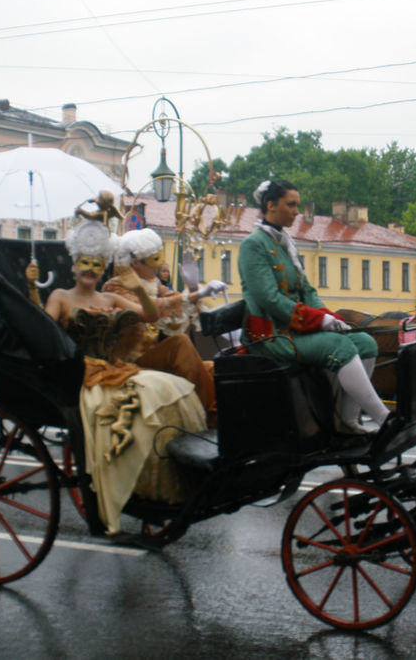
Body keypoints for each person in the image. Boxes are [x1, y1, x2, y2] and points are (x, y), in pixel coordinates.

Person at [27, 217, 207, 535]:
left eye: (97, 264)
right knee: (146, 397)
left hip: (117, 369)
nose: (90, 269)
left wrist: (138, 288)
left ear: (103, 267)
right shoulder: (60, 296)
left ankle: (159, 480)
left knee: (169, 387)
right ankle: (125, 480)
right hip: (84, 374)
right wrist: (32, 288)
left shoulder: (109, 299)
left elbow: (150, 315)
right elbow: (41, 331)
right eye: (84, 263)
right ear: (73, 266)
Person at [237, 179, 390, 436]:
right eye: (291, 204)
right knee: (339, 347)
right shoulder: (253, 245)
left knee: (365, 342)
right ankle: (384, 418)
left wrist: (330, 318)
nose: (297, 211)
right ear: (271, 205)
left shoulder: (284, 242)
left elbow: (307, 291)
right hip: (272, 336)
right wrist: (318, 322)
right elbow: (269, 299)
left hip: (296, 330)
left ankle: (349, 421)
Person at [102, 228, 225, 426]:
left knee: (212, 368)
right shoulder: (115, 286)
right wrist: (198, 294)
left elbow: (176, 304)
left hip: (153, 355)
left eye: (159, 259)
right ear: (135, 262)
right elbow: (157, 310)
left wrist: (194, 288)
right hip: (131, 362)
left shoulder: (155, 283)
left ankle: (226, 413)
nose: (158, 267)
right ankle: (214, 418)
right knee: (179, 345)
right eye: (154, 260)